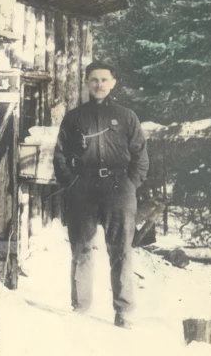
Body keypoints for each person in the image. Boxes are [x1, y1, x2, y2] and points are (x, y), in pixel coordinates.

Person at [53, 61, 149, 329]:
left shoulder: (126, 116)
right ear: (86, 82)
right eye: (94, 79)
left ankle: (124, 312)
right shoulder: (74, 118)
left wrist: (130, 183)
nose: (99, 84)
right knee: (81, 249)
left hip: (119, 189)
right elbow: (60, 154)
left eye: (104, 79)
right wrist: (72, 183)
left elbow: (140, 155)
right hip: (83, 189)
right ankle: (81, 308)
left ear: (113, 83)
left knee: (121, 250)